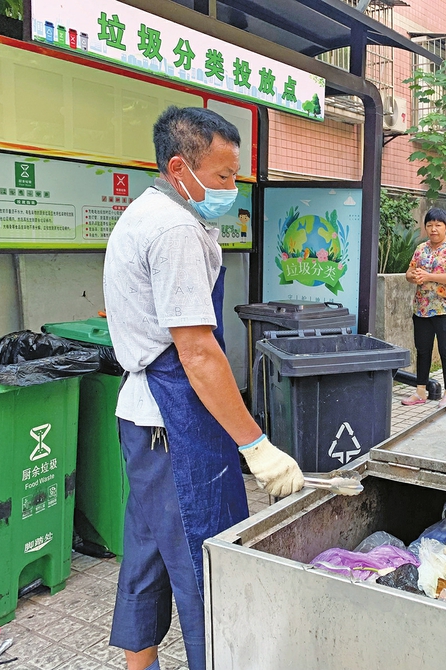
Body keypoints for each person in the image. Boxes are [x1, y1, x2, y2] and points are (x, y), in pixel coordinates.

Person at [103, 106, 304, 670]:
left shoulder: (145, 213)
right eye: (221, 177)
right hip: (176, 422)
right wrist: (255, 445)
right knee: (205, 568)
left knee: (146, 555)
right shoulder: (174, 231)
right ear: (178, 167)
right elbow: (197, 352)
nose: (231, 189)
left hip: (144, 422)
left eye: (234, 176)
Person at [402, 208, 446, 408]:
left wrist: (429, 276)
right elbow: (409, 273)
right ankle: (420, 391)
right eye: (429, 225)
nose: (433, 229)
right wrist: (414, 276)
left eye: (438, 225)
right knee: (423, 350)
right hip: (422, 308)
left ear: (445, 226)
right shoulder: (421, 249)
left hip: (445, 308)